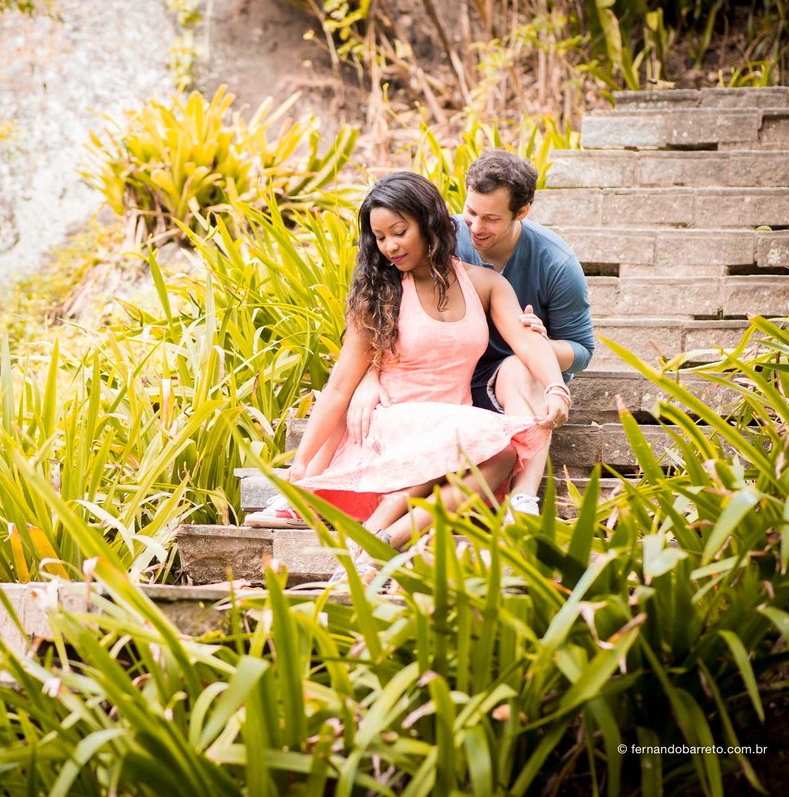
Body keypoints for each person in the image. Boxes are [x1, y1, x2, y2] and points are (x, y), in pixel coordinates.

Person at [244, 171, 572, 576]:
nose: (390, 246)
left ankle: (383, 539)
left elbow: (526, 342)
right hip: (390, 422)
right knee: (485, 451)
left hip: (452, 425)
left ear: (428, 223)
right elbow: (340, 385)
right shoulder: (381, 293)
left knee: (501, 454)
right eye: (380, 237)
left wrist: (555, 387)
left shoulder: (486, 285)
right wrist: (302, 464)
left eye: (399, 232)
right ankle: (379, 542)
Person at [343, 150, 594, 520]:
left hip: (516, 383)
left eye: (491, 218)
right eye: (471, 212)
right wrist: (370, 373)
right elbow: (381, 301)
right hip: (450, 380)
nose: (475, 227)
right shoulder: (444, 237)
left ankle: (522, 501)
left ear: (522, 212)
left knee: (518, 366)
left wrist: (536, 346)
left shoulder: (555, 262)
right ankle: (383, 530)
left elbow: (583, 349)